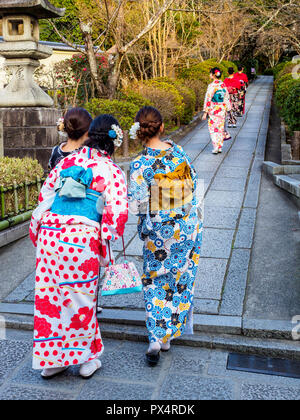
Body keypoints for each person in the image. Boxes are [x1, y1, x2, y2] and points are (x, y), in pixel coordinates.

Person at [29, 114, 128, 379]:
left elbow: (45, 197)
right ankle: (86, 358)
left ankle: (52, 360)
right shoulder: (112, 171)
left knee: (50, 298)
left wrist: (38, 231)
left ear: (90, 136)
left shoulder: (68, 161)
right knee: (81, 299)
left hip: (50, 234)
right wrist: (105, 249)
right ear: (113, 141)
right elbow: (116, 214)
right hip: (80, 238)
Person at [128, 106, 203, 366]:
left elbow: (137, 204)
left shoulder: (139, 163)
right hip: (184, 225)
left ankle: (155, 338)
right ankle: (167, 334)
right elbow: (194, 185)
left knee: (154, 279)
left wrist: (145, 227)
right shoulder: (179, 152)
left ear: (139, 130)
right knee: (179, 278)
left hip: (158, 229)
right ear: (161, 127)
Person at [202, 67, 232, 154]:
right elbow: (226, 97)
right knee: (220, 128)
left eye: (210, 73)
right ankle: (219, 146)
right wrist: (228, 108)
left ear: (213, 75)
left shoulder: (211, 86)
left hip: (214, 109)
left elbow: (208, 99)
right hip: (222, 109)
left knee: (213, 128)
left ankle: (216, 147)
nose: (209, 75)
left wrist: (205, 112)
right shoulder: (222, 84)